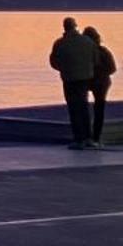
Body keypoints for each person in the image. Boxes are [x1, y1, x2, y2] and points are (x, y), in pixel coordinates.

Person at [48, 16, 98, 150]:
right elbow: (96, 59)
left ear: (64, 27)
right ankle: (88, 138)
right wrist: (88, 69)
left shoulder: (60, 43)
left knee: (73, 109)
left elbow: (53, 62)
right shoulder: (87, 41)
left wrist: (64, 68)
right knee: (84, 107)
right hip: (85, 78)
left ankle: (78, 139)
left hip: (69, 79)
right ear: (75, 26)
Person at [84, 25, 117, 146]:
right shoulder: (103, 51)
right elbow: (112, 68)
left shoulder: (85, 53)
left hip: (88, 82)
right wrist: (102, 73)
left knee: (84, 108)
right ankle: (96, 137)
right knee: (99, 110)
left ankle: (87, 136)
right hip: (102, 83)